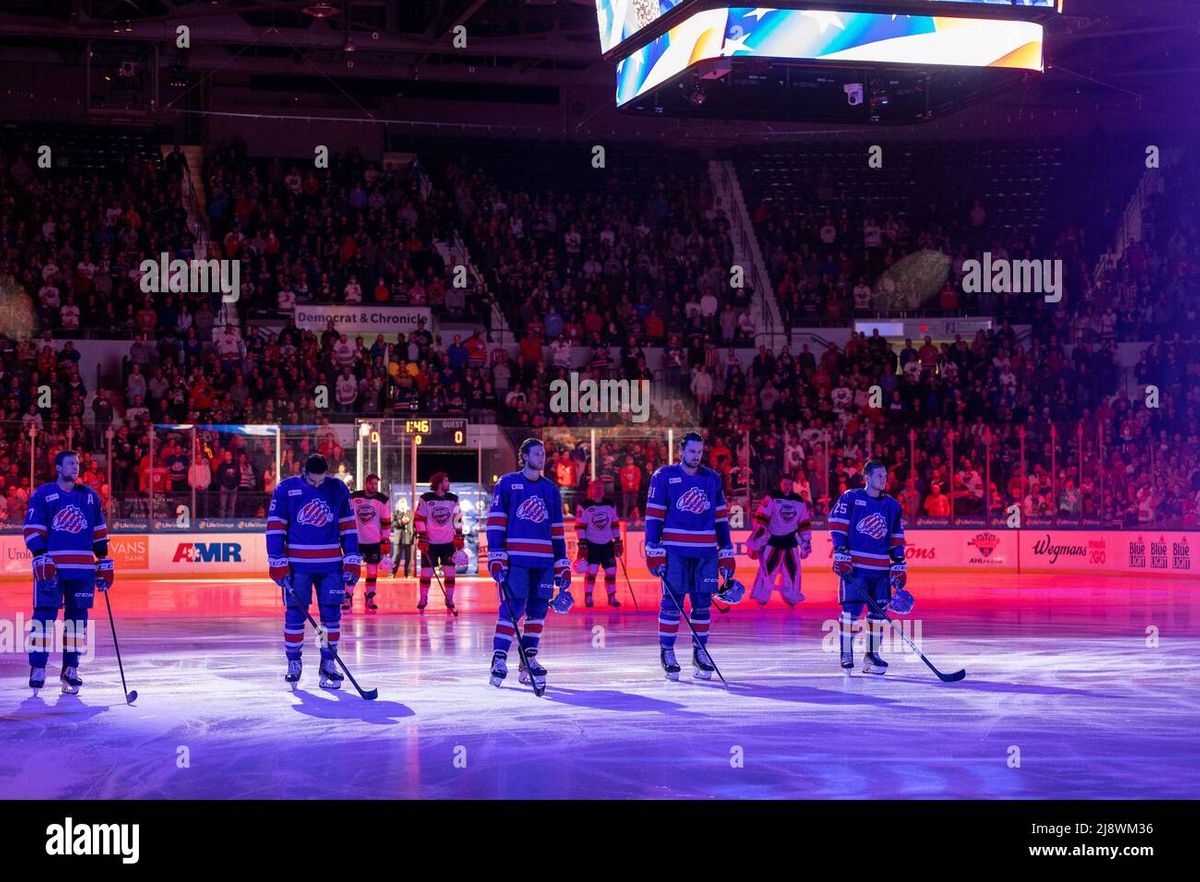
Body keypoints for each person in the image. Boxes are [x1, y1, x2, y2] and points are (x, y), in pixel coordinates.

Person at [644, 432, 737, 681]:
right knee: (672, 604)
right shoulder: (664, 476)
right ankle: (667, 651)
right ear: (681, 451)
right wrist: (652, 547)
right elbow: (653, 515)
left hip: (706, 552)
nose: (696, 456)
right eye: (692, 451)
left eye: (699, 452)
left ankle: (700, 653)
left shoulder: (712, 478)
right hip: (675, 550)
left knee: (702, 605)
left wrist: (726, 551)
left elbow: (720, 518)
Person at [266, 454, 360, 689]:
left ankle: (328, 663)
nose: (318, 484)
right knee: (295, 614)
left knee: (331, 616)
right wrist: (277, 560)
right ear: (304, 472)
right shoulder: (286, 489)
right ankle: (294, 662)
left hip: (331, 567)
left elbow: (348, 526)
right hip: (298, 566)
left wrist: (351, 558)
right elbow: (275, 527)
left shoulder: (338, 488)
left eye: (321, 480)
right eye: (313, 481)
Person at [485, 438, 572, 692]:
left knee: (537, 611)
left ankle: (528, 659)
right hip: (517, 560)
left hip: (543, 562)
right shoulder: (508, 483)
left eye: (543, 453)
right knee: (512, 608)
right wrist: (497, 554)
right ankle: (499, 659)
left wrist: (561, 563)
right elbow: (496, 521)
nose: (541, 457)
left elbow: (557, 530)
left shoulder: (550, 489)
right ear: (524, 456)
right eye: (536, 453)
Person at [23, 450, 113, 693]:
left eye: (77, 463)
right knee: (43, 619)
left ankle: (70, 669)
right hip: (52, 569)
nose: (75, 467)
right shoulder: (44, 494)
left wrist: (103, 561)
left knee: (77, 623)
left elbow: (99, 534)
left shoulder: (90, 497)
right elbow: (32, 529)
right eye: (70, 463)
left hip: (82, 570)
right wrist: (40, 556)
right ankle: (38, 667)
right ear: (58, 467)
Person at [829, 459, 906, 675]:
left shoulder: (892, 505)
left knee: (878, 614)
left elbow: (897, 536)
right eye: (880, 475)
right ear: (867, 477)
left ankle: (871, 656)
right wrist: (840, 551)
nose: (884, 479)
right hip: (856, 568)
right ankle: (846, 653)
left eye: (885, 476)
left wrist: (899, 563)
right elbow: (837, 523)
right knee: (851, 610)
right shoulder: (851, 497)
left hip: (881, 570)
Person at [747, 475, 813, 607]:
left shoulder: (799, 501)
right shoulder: (772, 497)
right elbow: (762, 518)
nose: (787, 487)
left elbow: (804, 523)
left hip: (790, 541)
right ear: (780, 484)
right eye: (785, 484)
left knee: (793, 570)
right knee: (767, 570)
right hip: (773, 540)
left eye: (789, 484)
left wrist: (805, 543)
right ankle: (762, 596)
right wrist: (757, 540)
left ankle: (792, 597)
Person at [413, 472, 465, 612]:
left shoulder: (453, 499)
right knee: (426, 573)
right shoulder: (426, 498)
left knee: (450, 572)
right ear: (439, 483)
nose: (448, 483)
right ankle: (423, 598)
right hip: (430, 543)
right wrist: (422, 536)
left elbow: (457, 518)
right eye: (446, 481)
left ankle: (449, 598)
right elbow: (419, 518)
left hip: (448, 543)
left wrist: (459, 535)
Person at [347, 474, 392, 613]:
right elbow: (347, 516)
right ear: (365, 483)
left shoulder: (382, 500)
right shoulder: (354, 497)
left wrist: (385, 540)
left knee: (372, 571)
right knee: (352, 570)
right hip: (356, 541)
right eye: (371, 483)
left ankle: (370, 597)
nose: (374, 486)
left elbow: (386, 522)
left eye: (376, 484)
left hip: (374, 542)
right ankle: (347, 597)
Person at [574, 480, 622, 608]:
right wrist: (582, 543)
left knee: (611, 571)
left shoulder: (610, 505)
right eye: (595, 487)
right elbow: (580, 526)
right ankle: (588, 596)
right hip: (591, 544)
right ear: (590, 490)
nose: (598, 490)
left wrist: (617, 541)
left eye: (600, 488)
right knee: (592, 571)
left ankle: (612, 596)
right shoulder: (584, 505)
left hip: (607, 544)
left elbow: (614, 523)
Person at [392, 507, 414, 578]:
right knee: (396, 556)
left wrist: (416, 534)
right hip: (399, 538)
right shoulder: (395, 513)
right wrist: (401, 521)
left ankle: (407, 574)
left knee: (409, 557)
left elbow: (416, 524)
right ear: (398, 505)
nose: (403, 506)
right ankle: (392, 573)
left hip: (409, 537)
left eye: (404, 504)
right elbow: (392, 524)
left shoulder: (410, 513)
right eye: (401, 505)